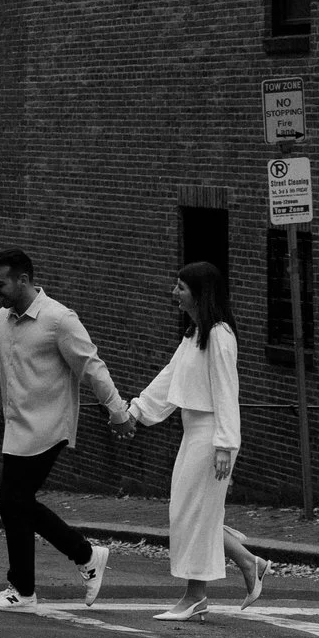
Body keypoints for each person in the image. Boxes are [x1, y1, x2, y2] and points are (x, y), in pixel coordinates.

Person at [0, 247, 133, 611]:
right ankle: (36, 582)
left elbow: (92, 366)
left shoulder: (59, 319)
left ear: (24, 280)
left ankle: (75, 561)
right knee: (15, 504)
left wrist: (118, 411)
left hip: (49, 426)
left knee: (14, 502)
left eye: (0, 284)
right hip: (17, 427)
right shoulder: (1, 320)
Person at [121, 262, 267, 620]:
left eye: (181, 287)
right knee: (190, 512)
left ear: (200, 293)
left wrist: (225, 445)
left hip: (211, 436)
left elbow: (227, 391)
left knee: (192, 514)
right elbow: (169, 378)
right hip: (195, 433)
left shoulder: (219, 335)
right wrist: (136, 411)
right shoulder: (195, 333)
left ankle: (196, 597)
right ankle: (250, 563)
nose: (174, 293)